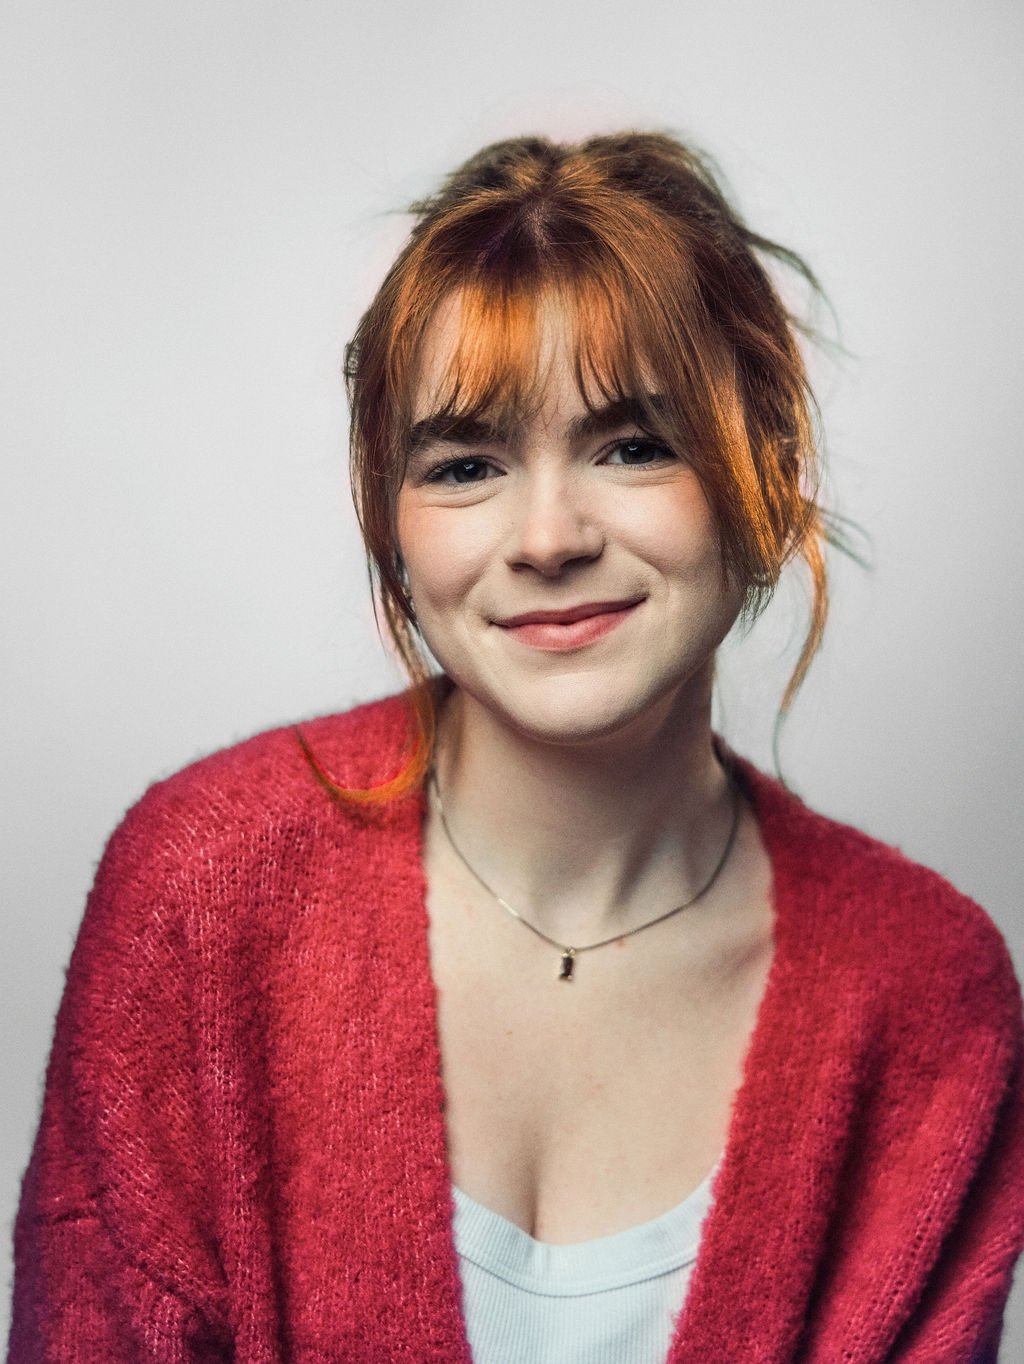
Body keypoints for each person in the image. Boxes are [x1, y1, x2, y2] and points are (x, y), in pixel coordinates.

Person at [9, 132, 1024, 1363]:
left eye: (633, 444)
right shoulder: (206, 887)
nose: (546, 534)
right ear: (391, 525)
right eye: (466, 463)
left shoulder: (929, 993)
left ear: (767, 465)